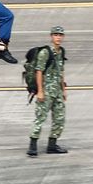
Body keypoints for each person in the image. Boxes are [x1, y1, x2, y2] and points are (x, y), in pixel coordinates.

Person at [27, 26, 68, 156]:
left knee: (59, 118)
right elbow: (39, 71)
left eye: (60, 35)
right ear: (51, 36)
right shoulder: (45, 52)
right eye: (56, 35)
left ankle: (52, 144)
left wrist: (63, 89)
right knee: (40, 118)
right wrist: (40, 91)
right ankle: (32, 145)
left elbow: (60, 71)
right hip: (46, 90)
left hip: (57, 91)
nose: (58, 37)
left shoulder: (61, 51)